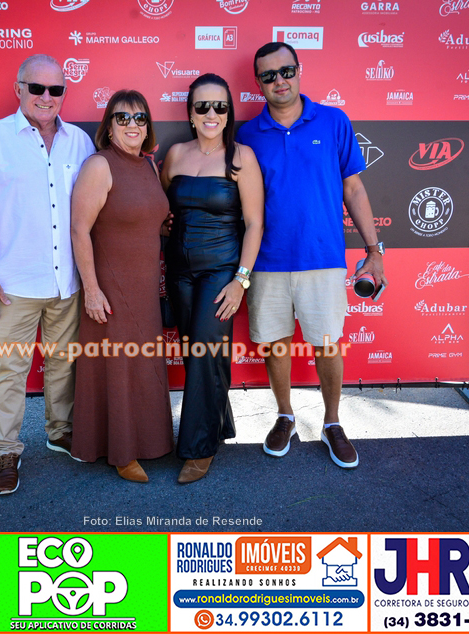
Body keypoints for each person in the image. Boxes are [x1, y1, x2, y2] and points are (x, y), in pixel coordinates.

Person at [236, 42, 387, 469]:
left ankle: (332, 423)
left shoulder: (334, 121)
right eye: (268, 75)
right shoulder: (247, 135)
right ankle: (285, 416)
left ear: (299, 70)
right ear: (258, 83)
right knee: (276, 345)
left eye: (286, 71)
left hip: (323, 258)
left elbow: (353, 188)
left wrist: (374, 251)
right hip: (266, 261)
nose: (279, 81)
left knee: (327, 345)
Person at [0, 54, 95, 495]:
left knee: (63, 363)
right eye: (37, 88)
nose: (46, 97)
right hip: (12, 287)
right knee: (11, 371)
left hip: (66, 283)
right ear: (18, 89)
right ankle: (6, 451)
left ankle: (60, 432)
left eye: (56, 89)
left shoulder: (80, 143)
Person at [161, 73, 264, 483]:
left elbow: (254, 224)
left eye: (219, 106)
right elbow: (160, 205)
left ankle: (199, 448)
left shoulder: (242, 158)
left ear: (228, 112)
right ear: (190, 113)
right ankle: (219, 423)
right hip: (179, 272)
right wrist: (163, 223)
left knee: (205, 352)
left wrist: (241, 280)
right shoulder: (175, 155)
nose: (211, 113)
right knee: (198, 355)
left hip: (221, 273)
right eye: (202, 106)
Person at [70, 90, 174, 482]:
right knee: (117, 367)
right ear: (109, 127)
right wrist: (92, 289)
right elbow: (79, 229)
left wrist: (164, 224)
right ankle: (121, 452)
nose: (133, 124)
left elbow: (145, 216)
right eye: (123, 117)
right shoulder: (100, 165)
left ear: (148, 127)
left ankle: (148, 441)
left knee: (142, 365)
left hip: (144, 287)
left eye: (140, 118)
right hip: (111, 289)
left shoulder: (148, 165)